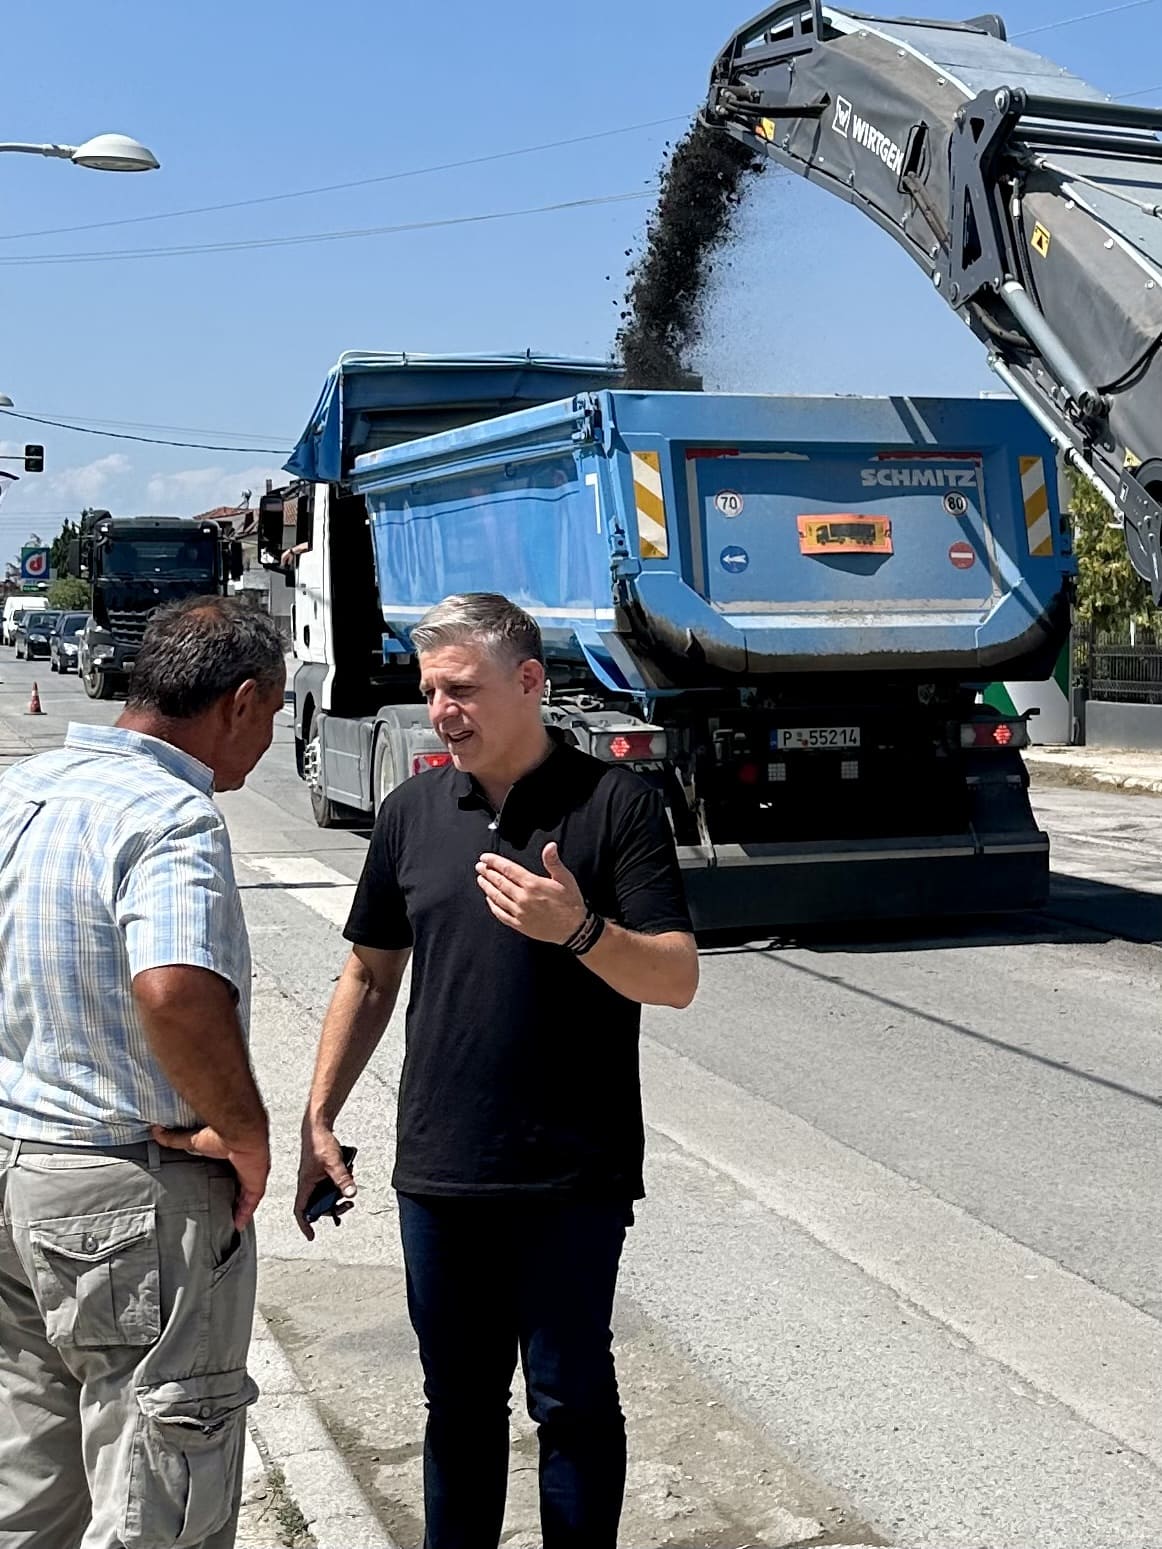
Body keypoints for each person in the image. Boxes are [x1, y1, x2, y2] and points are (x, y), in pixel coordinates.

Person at [295, 591, 699, 1548]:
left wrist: (581, 930)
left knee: (572, 1404)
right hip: (442, 1168)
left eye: (462, 688)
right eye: (432, 689)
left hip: (572, 1170)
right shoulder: (410, 812)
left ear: (527, 682)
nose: (442, 709)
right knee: (458, 1408)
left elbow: (677, 977)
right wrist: (318, 1116)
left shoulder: (616, 805)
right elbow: (369, 972)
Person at [0, 595, 285, 1549]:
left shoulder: (24, 788)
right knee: (159, 1490)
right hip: (123, 1196)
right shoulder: (172, 816)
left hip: (15, 1172)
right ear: (240, 702)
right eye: (276, 714)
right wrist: (243, 1132)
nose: (269, 739)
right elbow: (173, 991)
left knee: (29, 1482)